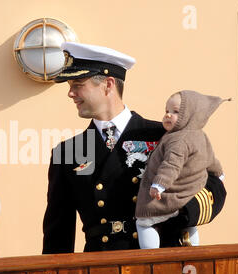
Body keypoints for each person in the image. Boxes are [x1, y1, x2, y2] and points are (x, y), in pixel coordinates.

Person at [42, 42, 227, 254]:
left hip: (164, 261)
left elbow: (213, 182)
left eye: (78, 84)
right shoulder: (68, 151)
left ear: (108, 85)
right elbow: (58, 232)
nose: (71, 94)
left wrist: (182, 212)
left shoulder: (165, 136)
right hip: (100, 269)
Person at [135, 91, 229, 249]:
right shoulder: (200, 135)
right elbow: (211, 159)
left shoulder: (177, 139)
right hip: (191, 194)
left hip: (172, 195)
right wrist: (219, 174)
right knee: (189, 223)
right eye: (166, 111)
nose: (168, 115)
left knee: (144, 222)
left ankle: (150, 255)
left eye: (176, 112)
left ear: (190, 115)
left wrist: (159, 184)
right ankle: (193, 250)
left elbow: (171, 164)